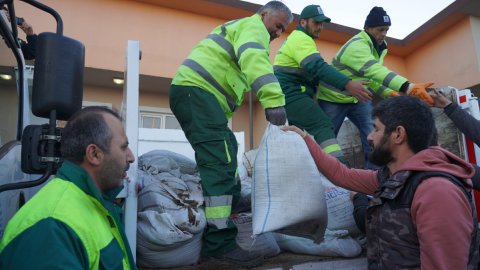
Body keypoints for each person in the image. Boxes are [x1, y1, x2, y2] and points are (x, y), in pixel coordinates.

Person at [282, 96, 479, 269]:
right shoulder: (393, 177)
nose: (369, 136)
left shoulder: (436, 191)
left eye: (376, 129)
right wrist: (305, 139)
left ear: (398, 134)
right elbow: (342, 175)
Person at [169, 1, 293, 267]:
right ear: (264, 15)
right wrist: (273, 100)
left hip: (198, 95)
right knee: (220, 162)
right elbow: (253, 58)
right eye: (277, 25)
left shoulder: (244, 29)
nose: (278, 33)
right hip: (197, 91)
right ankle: (219, 246)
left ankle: (233, 201)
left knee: (227, 151)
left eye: (283, 29)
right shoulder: (253, 28)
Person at [0, 106, 136, 269]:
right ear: (94, 154)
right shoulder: (51, 228)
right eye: (123, 147)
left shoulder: (94, 204)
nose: (131, 157)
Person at [316, 6, 434, 168]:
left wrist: (389, 92)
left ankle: (373, 177)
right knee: (326, 137)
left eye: (386, 29)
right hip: (332, 98)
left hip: (358, 97)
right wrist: (408, 87)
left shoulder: (380, 46)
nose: (384, 33)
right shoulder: (356, 46)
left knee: (373, 134)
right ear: (368, 28)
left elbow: (371, 78)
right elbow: (375, 70)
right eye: (380, 29)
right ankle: (320, 173)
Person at [273, 4, 370, 164]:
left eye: (322, 23)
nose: (320, 27)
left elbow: (317, 76)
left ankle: (305, 175)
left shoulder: (300, 40)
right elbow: (318, 67)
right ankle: (342, 175)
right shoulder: (300, 39)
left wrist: (345, 89)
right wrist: (348, 84)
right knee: (322, 124)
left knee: (297, 139)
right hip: (292, 94)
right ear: (303, 22)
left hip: (289, 95)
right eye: (316, 23)